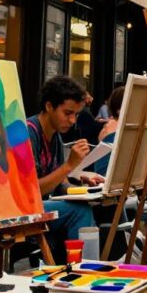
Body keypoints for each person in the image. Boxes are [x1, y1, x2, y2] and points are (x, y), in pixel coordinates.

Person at [27, 76, 102, 260]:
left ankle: (86, 262)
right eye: (67, 113)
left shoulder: (56, 138)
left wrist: (84, 189)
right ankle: (83, 267)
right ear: (49, 106)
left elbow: (61, 184)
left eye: (76, 114)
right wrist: (69, 165)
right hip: (24, 209)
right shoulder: (28, 133)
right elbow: (31, 191)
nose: (72, 120)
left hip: (43, 206)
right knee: (79, 211)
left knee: (95, 205)